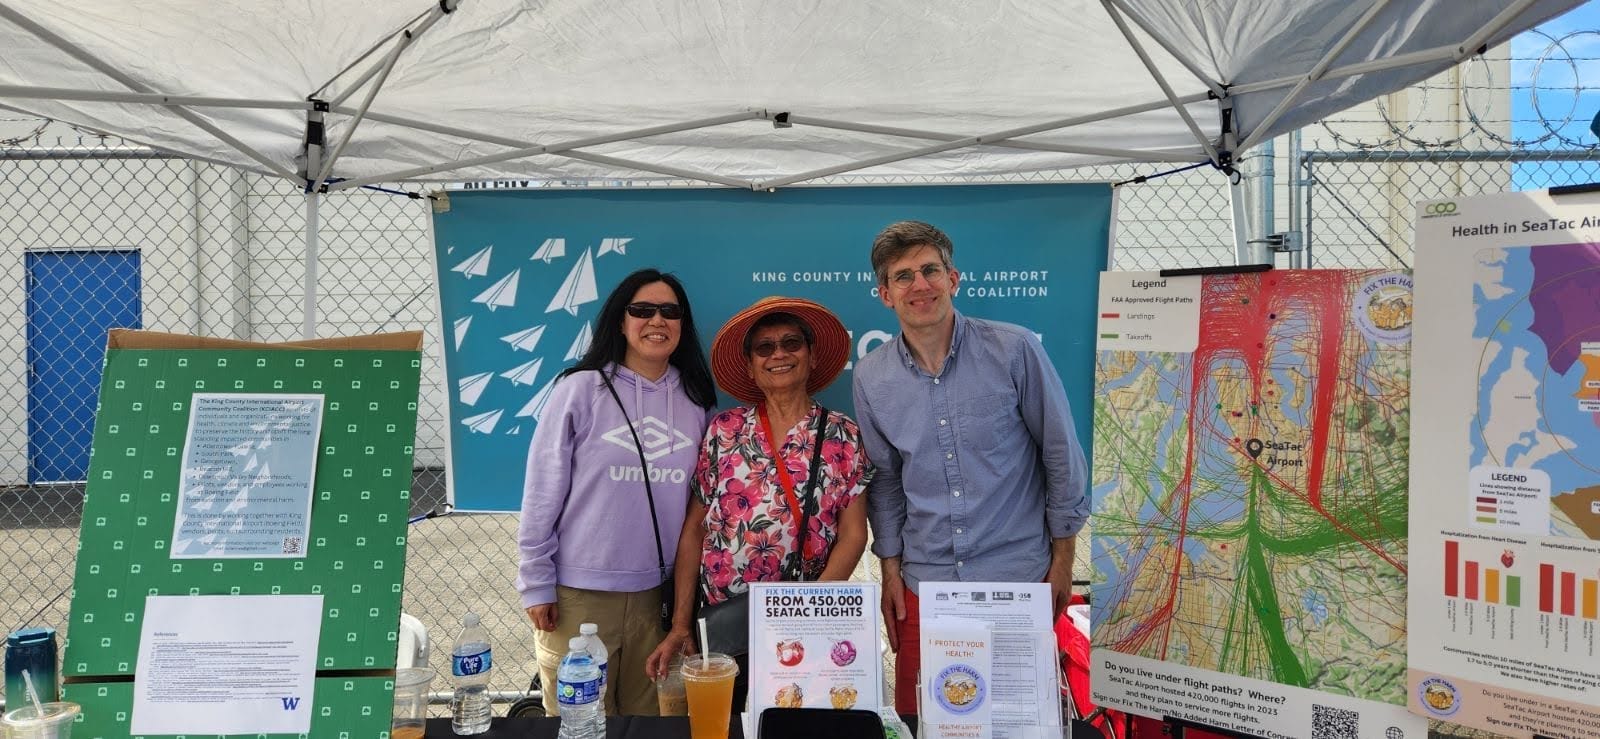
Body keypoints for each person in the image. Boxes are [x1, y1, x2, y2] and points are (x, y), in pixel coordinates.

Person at [851, 221, 1089, 716]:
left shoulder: (1015, 350)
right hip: (925, 587)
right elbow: (888, 482)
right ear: (884, 295)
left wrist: (1063, 559)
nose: (919, 285)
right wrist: (889, 572)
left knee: (1017, 722)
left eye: (930, 270)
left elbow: (1061, 455)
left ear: (953, 279)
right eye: (902, 277)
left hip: (1018, 580)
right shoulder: (872, 377)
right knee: (926, 720)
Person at [645, 297, 873, 708]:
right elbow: (694, 529)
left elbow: (854, 535)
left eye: (791, 343)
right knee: (726, 723)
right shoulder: (725, 430)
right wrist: (681, 624)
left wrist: (810, 614)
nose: (779, 354)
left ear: (812, 356)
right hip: (724, 626)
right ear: (750, 365)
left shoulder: (842, 433)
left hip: (801, 627)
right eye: (764, 348)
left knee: (795, 723)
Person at [517, 268, 718, 716]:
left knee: (650, 723)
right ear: (620, 321)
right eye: (642, 310)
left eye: (670, 311)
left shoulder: (696, 401)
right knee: (580, 723)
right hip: (577, 596)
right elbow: (541, 491)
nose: (657, 321)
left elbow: (697, 511)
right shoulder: (580, 389)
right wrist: (536, 582)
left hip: (656, 596)